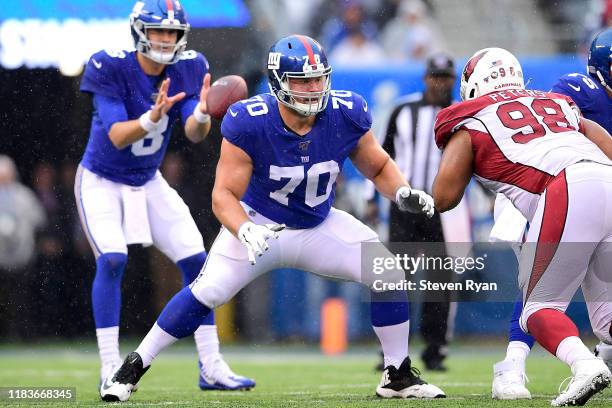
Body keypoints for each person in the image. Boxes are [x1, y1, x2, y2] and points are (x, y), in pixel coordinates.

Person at [99, 34, 446, 402]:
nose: (313, 89)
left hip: (318, 224)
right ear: (279, 81)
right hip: (259, 224)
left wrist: (402, 191)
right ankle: (132, 367)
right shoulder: (250, 121)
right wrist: (245, 228)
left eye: (318, 78)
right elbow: (223, 195)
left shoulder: (346, 112)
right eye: (302, 81)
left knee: (387, 272)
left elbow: (377, 164)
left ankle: (398, 376)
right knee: (207, 290)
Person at [75, 0, 254, 394]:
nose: (166, 39)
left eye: (172, 32)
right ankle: (110, 367)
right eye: (158, 30)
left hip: (148, 180)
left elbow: (193, 131)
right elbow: (117, 136)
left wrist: (204, 112)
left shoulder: (190, 65)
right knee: (113, 259)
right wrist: (152, 118)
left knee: (199, 263)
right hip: (102, 179)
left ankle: (211, 365)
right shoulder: (111, 65)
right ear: (139, 30)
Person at [432, 46, 612, 406]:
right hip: (606, 179)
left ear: (472, 86)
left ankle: (584, 366)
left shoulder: (470, 121)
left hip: (567, 187)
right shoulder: (557, 103)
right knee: (607, 322)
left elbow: (443, 197)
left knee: (538, 310)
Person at [490, 28, 612, 400]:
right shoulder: (579, 89)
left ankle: (604, 351)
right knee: (539, 285)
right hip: (542, 190)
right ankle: (512, 366)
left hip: (594, 198)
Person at [376, 53, 471, 371]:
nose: (440, 83)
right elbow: (381, 155)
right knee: (393, 276)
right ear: (425, 78)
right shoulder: (403, 110)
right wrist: (370, 198)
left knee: (439, 280)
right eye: (435, 76)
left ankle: (434, 348)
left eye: (445, 78)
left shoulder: (460, 115)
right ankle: (390, 351)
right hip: (404, 204)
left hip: (440, 207)